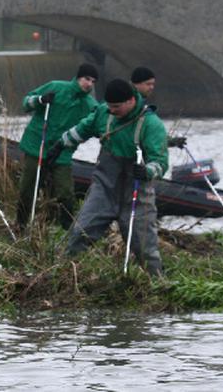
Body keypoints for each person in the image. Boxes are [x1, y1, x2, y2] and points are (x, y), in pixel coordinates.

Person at [49, 79, 167, 276]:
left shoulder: (151, 124)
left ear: (131, 100)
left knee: (144, 246)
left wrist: (148, 171)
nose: (112, 110)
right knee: (80, 232)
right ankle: (64, 275)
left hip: (136, 190)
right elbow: (82, 129)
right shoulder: (103, 112)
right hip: (104, 187)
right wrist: (60, 144)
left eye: (117, 107)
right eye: (110, 106)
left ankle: (158, 283)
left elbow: (161, 162)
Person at [14, 64, 99, 229]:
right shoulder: (55, 87)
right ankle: (21, 224)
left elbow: (97, 124)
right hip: (37, 145)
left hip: (63, 152)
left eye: (93, 81)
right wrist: (40, 100)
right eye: (86, 79)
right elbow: (26, 103)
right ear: (78, 77)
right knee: (28, 188)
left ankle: (66, 228)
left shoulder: (90, 105)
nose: (89, 84)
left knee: (66, 192)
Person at [131, 66, 187, 149]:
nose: (151, 87)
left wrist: (171, 141)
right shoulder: (129, 106)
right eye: (148, 84)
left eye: (153, 84)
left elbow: (150, 136)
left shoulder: (142, 107)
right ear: (136, 84)